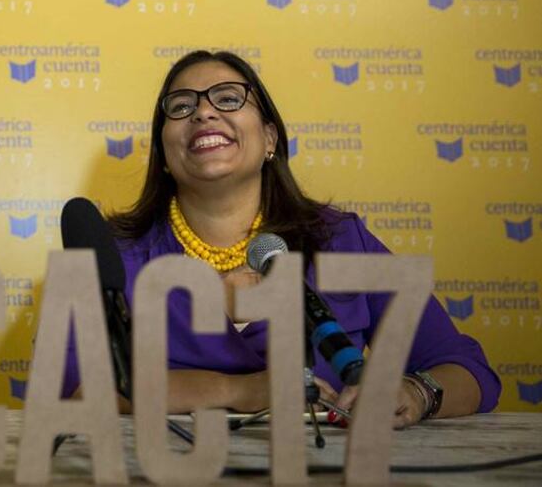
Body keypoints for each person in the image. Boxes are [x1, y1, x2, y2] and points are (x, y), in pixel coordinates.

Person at [63, 51, 500, 427]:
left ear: (269, 138)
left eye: (229, 99)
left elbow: (469, 372)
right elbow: (75, 392)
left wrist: (417, 394)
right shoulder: (112, 256)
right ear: (163, 154)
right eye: (180, 107)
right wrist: (241, 390)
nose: (203, 113)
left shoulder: (342, 239)